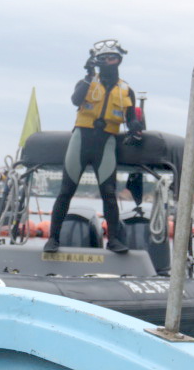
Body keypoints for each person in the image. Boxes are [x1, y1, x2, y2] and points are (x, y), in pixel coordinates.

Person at [43, 39, 143, 254]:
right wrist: (89, 76)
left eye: (112, 58)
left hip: (106, 142)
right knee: (66, 191)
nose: (108, 62)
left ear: (119, 60)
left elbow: (130, 118)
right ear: (97, 62)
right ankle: (53, 239)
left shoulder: (126, 90)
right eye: (104, 59)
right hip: (81, 139)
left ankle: (114, 240)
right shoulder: (86, 82)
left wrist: (136, 126)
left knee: (108, 192)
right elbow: (75, 100)